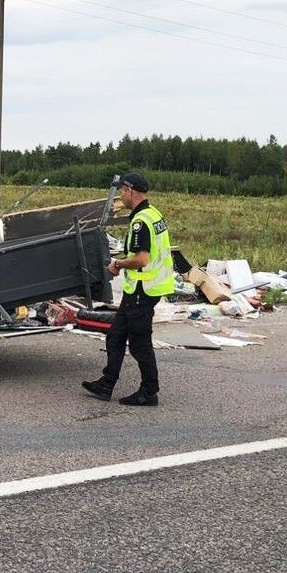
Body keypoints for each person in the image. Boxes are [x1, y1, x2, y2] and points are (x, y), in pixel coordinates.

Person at [82, 172, 175, 406]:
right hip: (141, 289)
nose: (121, 196)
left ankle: (149, 391)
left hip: (143, 290)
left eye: (122, 191)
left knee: (139, 343)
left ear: (129, 191)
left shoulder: (140, 222)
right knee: (115, 337)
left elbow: (142, 259)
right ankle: (106, 384)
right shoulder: (154, 214)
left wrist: (118, 264)